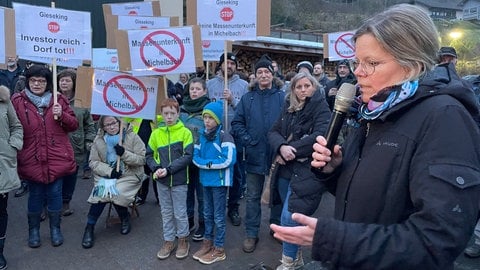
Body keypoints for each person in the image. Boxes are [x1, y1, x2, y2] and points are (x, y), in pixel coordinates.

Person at [270, 4, 480, 269]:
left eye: (372, 63)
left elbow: (437, 240)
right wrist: (336, 171)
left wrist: (336, 240)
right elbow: (378, 196)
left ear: (411, 65)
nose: (358, 72)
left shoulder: (446, 118)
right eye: (357, 62)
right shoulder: (374, 112)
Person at [268, 72, 331, 269]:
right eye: (299, 87)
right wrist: (281, 147)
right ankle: (296, 258)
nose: (303, 90)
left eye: (307, 85)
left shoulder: (322, 107)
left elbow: (321, 135)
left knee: (290, 216)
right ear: (293, 89)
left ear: (314, 86)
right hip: (286, 170)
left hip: (307, 171)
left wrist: (290, 150)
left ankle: (287, 262)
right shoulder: (289, 107)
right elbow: (273, 132)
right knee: (288, 216)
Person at [11, 64, 79, 248]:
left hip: (56, 157)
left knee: (55, 193)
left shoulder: (59, 100)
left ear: (48, 83)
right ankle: (33, 231)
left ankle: (55, 229)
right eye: (33, 80)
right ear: (28, 82)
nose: (37, 84)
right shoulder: (17, 101)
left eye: (41, 81)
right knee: (35, 195)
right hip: (31, 157)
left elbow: (73, 125)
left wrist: (63, 115)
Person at [231, 54, 285, 253]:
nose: (263, 75)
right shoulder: (247, 98)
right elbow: (237, 123)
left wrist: (282, 145)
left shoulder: (282, 97)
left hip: (277, 155)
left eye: (266, 72)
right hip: (254, 155)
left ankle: (276, 228)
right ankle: (251, 233)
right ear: (254, 76)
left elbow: (289, 124)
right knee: (253, 196)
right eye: (259, 72)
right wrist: (249, 141)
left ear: (272, 75)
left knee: (277, 194)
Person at [81, 116, 146, 249]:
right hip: (107, 175)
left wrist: (124, 154)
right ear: (102, 127)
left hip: (129, 175)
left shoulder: (132, 136)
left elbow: (141, 160)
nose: (111, 127)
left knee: (117, 192)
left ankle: (124, 218)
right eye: (107, 125)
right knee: (101, 193)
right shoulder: (99, 139)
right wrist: (109, 171)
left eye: (114, 123)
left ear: (119, 121)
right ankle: (89, 227)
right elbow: (93, 162)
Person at [146, 98, 193, 260]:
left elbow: (188, 157)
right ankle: (168, 240)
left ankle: (182, 240)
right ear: (161, 114)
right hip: (161, 181)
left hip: (179, 180)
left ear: (178, 114)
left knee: (180, 213)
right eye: (166, 113)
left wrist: (168, 170)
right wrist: (156, 168)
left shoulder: (185, 132)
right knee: (166, 212)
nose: (169, 117)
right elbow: (149, 155)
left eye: (172, 113)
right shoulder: (156, 134)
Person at [192, 101, 236, 265]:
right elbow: (195, 158)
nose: (207, 121)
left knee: (218, 216)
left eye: (211, 117)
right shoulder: (201, 136)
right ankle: (207, 243)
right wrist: (209, 163)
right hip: (206, 180)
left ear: (218, 119)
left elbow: (229, 159)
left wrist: (207, 163)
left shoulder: (225, 136)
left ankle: (219, 248)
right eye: (205, 117)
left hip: (219, 182)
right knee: (207, 213)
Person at [207, 52, 248, 227]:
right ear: (220, 65)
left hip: (235, 137)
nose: (229, 66)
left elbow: (246, 111)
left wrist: (233, 100)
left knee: (236, 175)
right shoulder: (210, 84)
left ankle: (233, 207)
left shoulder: (244, 85)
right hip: (214, 137)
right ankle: (216, 208)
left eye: (232, 63)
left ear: (236, 66)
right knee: (215, 172)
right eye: (226, 63)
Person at [57, 69, 96, 216]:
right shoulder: (52, 99)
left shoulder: (81, 102)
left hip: (75, 146)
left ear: (74, 83)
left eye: (67, 80)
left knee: (70, 176)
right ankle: (49, 204)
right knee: (54, 176)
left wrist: (89, 141)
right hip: (56, 145)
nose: (64, 83)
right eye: (61, 80)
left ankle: (65, 202)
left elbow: (89, 125)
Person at [179, 77, 211, 241]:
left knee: (202, 195)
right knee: (187, 193)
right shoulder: (182, 109)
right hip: (184, 160)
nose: (194, 92)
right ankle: (189, 220)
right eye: (192, 89)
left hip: (201, 159)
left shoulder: (208, 109)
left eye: (198, 89)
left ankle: (203, 223)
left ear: (205, 91)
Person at [0, 85, 23, 269]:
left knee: (0, 211)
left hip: (1, 165)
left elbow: (16, 126)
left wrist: (12, 146)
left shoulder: (3, 99)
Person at [124, 117, 159, 206]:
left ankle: (159, 197)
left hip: (155, 146)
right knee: (142, 173)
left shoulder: (156, 109)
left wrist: (155, 117)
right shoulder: (136, 108)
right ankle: (141, 196)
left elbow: (163, 117)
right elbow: (125, 117)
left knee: (157, 174)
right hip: (138, 147)